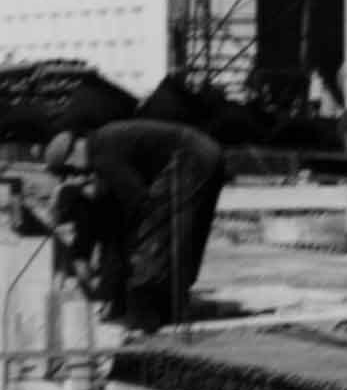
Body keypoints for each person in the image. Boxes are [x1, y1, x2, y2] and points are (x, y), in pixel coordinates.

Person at [47, 118, 227, 330]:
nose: (78, 175)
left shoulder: (102, 155)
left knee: (157, 229)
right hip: (208, 153)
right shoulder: (105, 144)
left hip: (192, 157)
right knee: (184, 232)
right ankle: (168, 302)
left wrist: (128, 272)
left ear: (73, 155)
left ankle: (147, 310)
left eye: (72, 171)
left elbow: (137, 204)